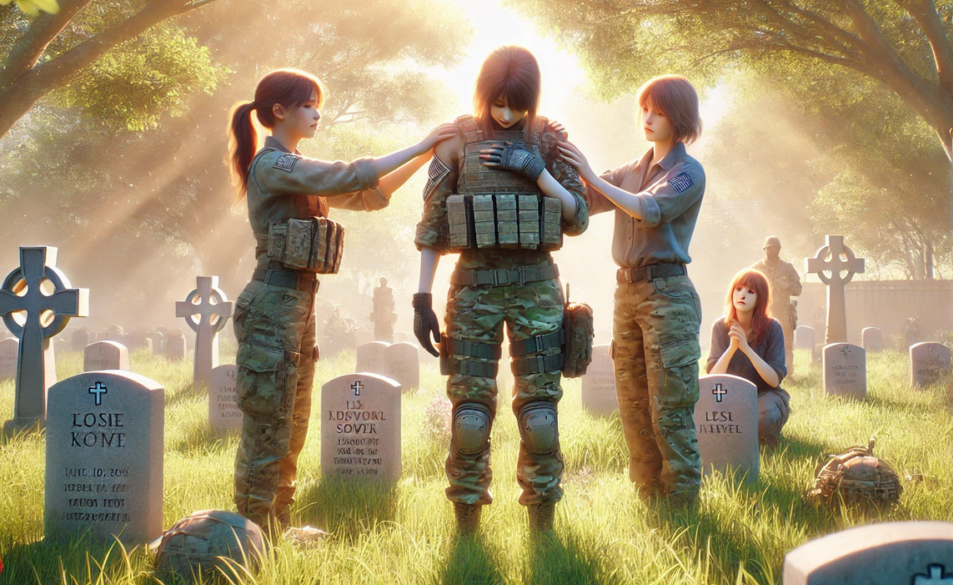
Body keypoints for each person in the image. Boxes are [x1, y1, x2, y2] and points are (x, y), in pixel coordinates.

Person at [227, 68, 457, 533]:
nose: (316, 115)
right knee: (267, 426)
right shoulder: (275, 166)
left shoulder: (296, 169)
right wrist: (418, 143)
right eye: (309, 105)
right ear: (279, 111)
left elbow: (370, 196)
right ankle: (247, 537)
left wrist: (427, 154)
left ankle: (276, 527)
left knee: (293, 421)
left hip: (298, 304)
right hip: (272, 303)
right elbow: (348, 174)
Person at [412, 46, 588, 534]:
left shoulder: (548, 140)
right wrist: (422, 299)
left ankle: (542, 526)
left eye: (517, 104)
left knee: (540, 418)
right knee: (469, 418)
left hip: (536, 290)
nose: (506, 114)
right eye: (497, 103)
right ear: (483, 94)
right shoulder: (455, 141)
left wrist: (535, 170)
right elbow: (432, 228)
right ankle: (466, 526)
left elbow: (578, 216)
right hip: (472, 293)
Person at [557, 74, 705, 507]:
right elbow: (585, 198)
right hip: (627, 295)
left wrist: (589, 174)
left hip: (668, 297)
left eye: (657, 110)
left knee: (670, 406)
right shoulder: (630, 171)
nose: (647, 117)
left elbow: (649, 209)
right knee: (633, 404)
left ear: (678, 117)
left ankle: (681, 503)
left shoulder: (687, 172)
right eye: (644, 108)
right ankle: (647, 497)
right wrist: (555, 161)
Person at [706, 269, 790, 447]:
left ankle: (764, 442)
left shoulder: (773, 328)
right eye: (739, 289)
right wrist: (732, 348)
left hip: (766, 395)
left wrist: (746, 348)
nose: (743, 295)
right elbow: (713, 378)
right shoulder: (720, 327)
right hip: (728, 394)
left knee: (761, 415)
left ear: (760, 298)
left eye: (751, 291)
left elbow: (774, 380)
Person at [750, 236, 802, 372]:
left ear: (779, 249)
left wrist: (787, 286)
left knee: (787, 345)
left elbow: (798, 289)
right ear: (765, 249)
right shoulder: (756, 268)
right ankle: (761, 372)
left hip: (784, 313)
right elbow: (747, 288)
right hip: (762, 312)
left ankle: (788, 373)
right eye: (770, 247)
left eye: (776, 247)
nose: (773, 250)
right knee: (759, 343)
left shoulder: (787, 268)